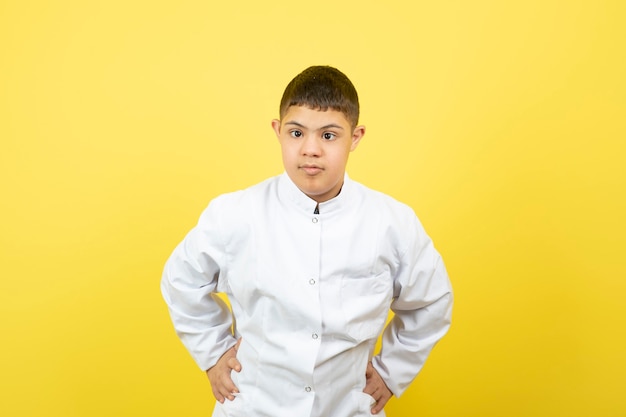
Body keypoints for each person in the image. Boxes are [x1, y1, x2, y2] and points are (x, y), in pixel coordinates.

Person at [161, 65, 453, 417]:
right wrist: (213, 352)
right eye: (296, 133)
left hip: (348, 408)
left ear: (355, 137)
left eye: (329, 136)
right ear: (278, 131)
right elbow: (181, 280)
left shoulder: (391, 222)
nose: (310, 149)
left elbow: (431, 300)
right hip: (253, 406)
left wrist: (391, 373)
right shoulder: (235, 214)